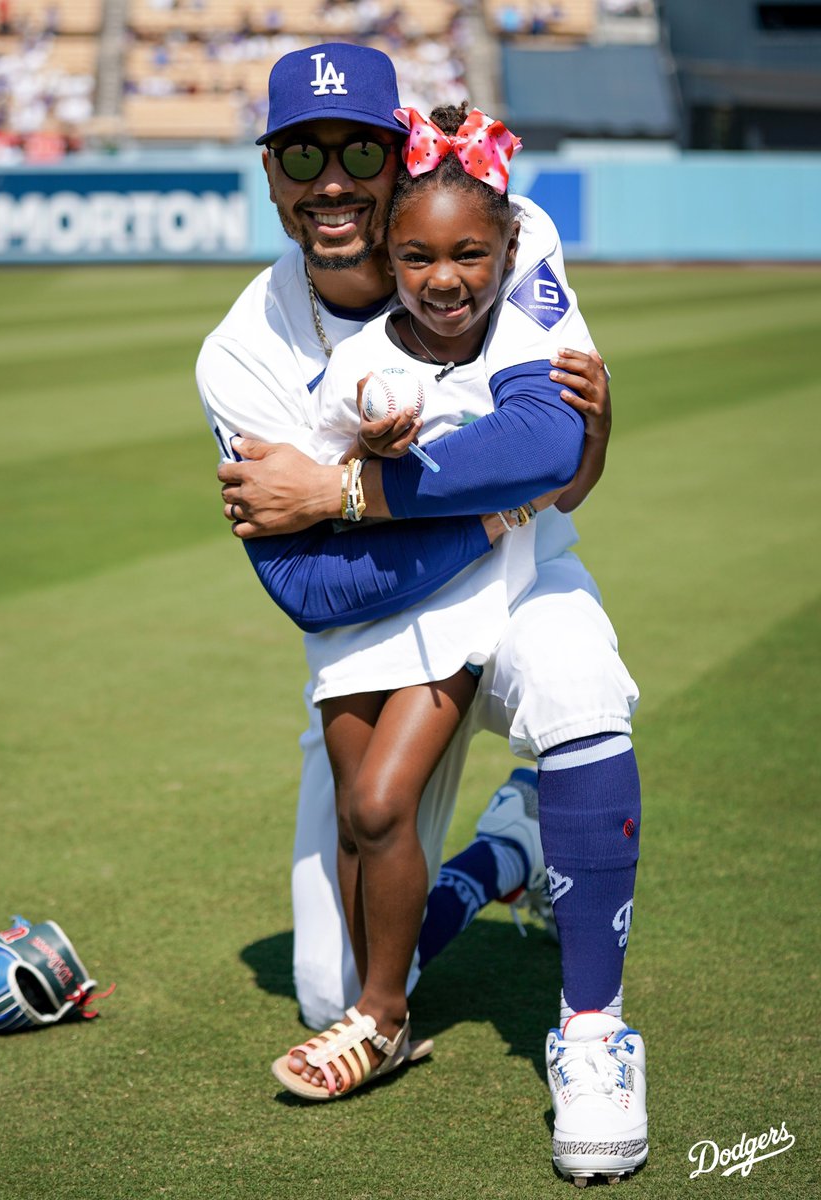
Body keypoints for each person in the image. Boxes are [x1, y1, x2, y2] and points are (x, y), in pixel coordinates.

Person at [197, 43, 646, 1184]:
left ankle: (594, 1033)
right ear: (269, 169)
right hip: (375, 632)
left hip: (528, 574)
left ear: (403, 157)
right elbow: (305, 583)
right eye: (305, 152)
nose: (334, 179)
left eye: (360, 150)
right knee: (328, 990)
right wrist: (487, 505)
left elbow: (543, 442)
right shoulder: (242, 354)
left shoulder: (505, 229)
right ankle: (506, 853)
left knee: (578, 676)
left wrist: (349, 494)